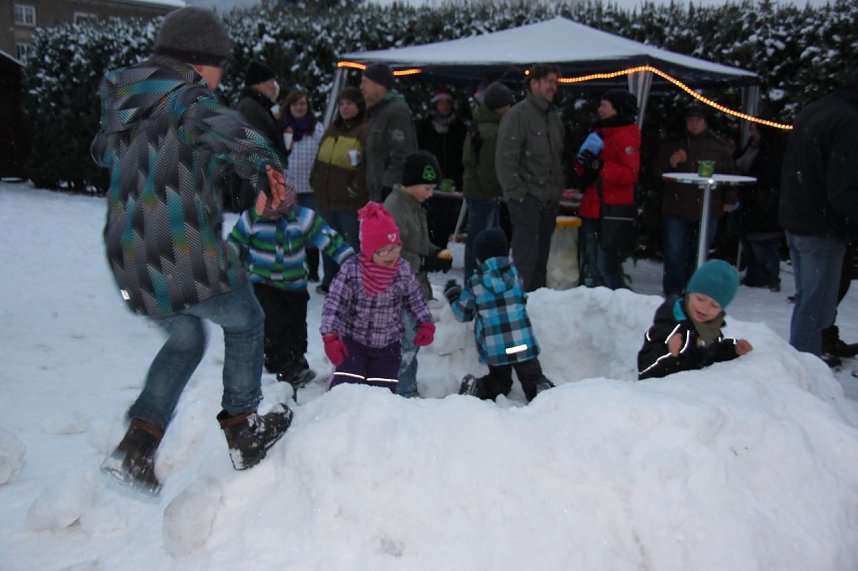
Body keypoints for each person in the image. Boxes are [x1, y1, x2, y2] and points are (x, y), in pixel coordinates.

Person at [91, 7, 293, 495]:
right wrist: (266, 168)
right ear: (200, 61)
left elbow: (101, 151)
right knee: (246, 319)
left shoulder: (126, 96)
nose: (221, 76)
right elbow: (230, 131)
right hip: (177, 252)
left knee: (186, 339)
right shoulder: (187, 96)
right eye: (220, 64)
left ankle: (138, 445)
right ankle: (244, 427)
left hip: (127, 256)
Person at [227, 183, 355, 389]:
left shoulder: (302, 217)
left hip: (295, 285)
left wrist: (350, 261)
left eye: (279, 208)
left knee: (296, 327)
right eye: (269, 208)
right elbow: (235, 243)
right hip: (263, 284)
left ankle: (296, 360)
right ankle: (283, 366)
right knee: (273, 327)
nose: (274, 214)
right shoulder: (251, 218)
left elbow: (329, 239)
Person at [779, 68, 858, 362]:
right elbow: (844, 187)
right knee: (814, 307)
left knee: (810, 302)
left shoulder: (817, 109)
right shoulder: (847, 122)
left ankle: (805, 362)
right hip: (821, 226)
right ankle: (803, 370)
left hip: (799, 219)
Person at [320, 202, 434, 392]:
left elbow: (415, 299)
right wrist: (330, 337)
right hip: (353, 345)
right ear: (369, 250)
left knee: (382, 394)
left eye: (396, 247)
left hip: (388, 347)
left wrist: (426, 323)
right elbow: (334, 305)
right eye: (384, 250)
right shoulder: (352, 271)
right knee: (347, 390)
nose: (392, 254)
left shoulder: (402, 270)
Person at [444, 228, 555, 402]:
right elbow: (522, 300)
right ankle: (541, 388)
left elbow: (463, 313)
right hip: (521, 342)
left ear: (479, 257)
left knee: (500, 382)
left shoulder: (476, 282)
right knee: (531, 377)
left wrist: (453, 295)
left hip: (496, 347)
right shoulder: (516, 275)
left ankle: (477, 388)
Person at [384, 150, 452, 397]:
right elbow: (389, 253)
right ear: (411, 184)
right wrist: (424, 261)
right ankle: (399, 390)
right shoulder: (395, 209)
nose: (431, 194)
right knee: (405, 342)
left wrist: (435, 253)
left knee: (412, 341)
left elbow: (416, 244)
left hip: (414, 287)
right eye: (427, 187)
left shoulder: (414, 205)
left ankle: (407, 386)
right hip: (397, 290)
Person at [496, 64, 565, 292]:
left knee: (540, 261)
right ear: (534, 83)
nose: (553, 87)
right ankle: (518, 304)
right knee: (525, 259)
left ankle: (537, 306)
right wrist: (518, 195)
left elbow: (556, 159)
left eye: (555, 82)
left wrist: (557, 192)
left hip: (548, 199)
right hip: (526, 198)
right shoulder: (518, 115)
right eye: (549, 82)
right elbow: (505, 160)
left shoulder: (553, 117)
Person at [654, 105, 737, 297]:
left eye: (698, 120)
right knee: (675, 253)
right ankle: (673, 291)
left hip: (708, 207)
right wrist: (670, 163)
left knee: (699, 254)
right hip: (677, 207)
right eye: (690, 120)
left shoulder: (718, 146)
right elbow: (658, 171)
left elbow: (730, 174)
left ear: (705, 122)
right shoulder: (674, 144)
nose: (693, 124)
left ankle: (694, 291)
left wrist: (728, 200)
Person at [638, 260, 753, 380]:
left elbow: (711, 353)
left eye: (714, 305)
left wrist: (733, 349)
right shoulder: (670, 323)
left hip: (693, 392)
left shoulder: (710, 326)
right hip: (662, 394)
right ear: (689, 293)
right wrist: (668, 351)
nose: (705, 308)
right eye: (700, 299)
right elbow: (645, 369)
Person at [575, 89, 641, 290]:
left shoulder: (626, 136)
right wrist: (584, 164)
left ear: (617, 109)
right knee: (590, 263)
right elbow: (583, 169)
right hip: (593, 207)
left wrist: (600, 166)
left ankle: (616, 303)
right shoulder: (600, 133)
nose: (600, 109)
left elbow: (630, 174)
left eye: (605, 105)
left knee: (606, 265)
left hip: (611, 209)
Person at [310, 86, 369, 295]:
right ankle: (330, 280)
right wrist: (314, 180)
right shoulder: (332, 129)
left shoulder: (365, 130)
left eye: (349, 103)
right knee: (327, 241)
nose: (344, 108)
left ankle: (351, 284)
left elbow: (367, 166)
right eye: (341, 104)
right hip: (326, 198)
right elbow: (320, 157)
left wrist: (355, 187)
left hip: (349, 201)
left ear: (359, 106)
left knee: (350, 243)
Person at [461, 81, 514, 280]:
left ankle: (474, 278)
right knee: (482, 239)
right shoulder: (493, 132)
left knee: (476, 238)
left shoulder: (479, 124)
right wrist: (496, 191)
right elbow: (489, 170)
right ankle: (476, 279)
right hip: (485, 193)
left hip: (475, 190)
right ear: (500, 107)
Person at [281, 89, 326, 282]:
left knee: (309, 230)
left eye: (303, 104)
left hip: (311, 187)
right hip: (287, 187)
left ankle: (313, 269)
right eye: (295, 104)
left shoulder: (316, 128)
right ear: (289, 106)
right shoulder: (281, 128)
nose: (299, 107)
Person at [734, 122, 784, 292]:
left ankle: (768, 276)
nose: (752, 133)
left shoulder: (771, 152)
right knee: (752, 240)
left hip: (763, 202)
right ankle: (756, 274)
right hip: (751, 201)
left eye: (754, 129)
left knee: (763, 241)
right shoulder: (752, 147)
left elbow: (769, 175)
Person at [417, 86, 467, 249]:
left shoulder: (459, 128)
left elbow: (462, 156)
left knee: (445, 219)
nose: (444, 106)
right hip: (427, 179)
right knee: (427, 217)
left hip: (451, 180)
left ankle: (440, 251)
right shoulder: (424, 127)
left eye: (447, 103)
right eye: (441, 103)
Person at [361, 62, 418, 202]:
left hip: (390, 196)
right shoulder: (378, 111)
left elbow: (402, 154)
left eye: (365, 82)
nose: (361, 87)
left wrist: (388, 190)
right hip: (377, 193)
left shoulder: (396, 111)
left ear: (379, 84)